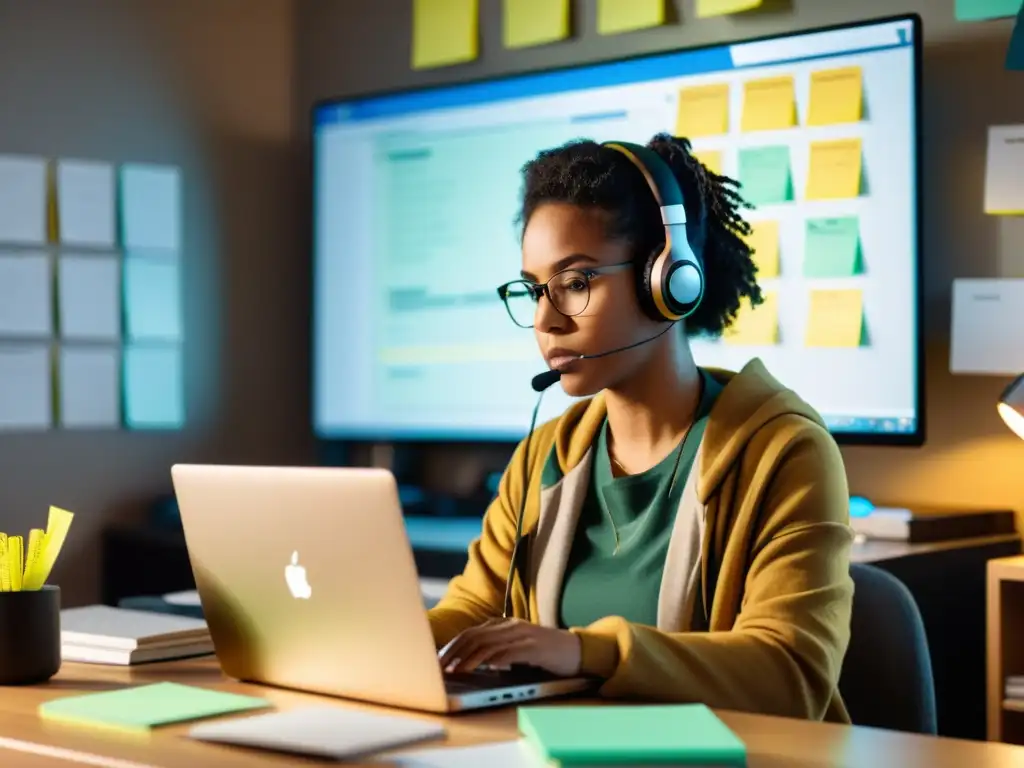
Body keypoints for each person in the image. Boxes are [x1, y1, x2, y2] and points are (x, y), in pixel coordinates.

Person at [427, 133, 854, 723]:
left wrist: (588, 651)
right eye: (533, 290)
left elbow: (792, 673)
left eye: (575, 283)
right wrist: (379, 644)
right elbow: (474, 610)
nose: (546, 321)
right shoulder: (546, 454)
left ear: (668, 280)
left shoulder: (783, 451)